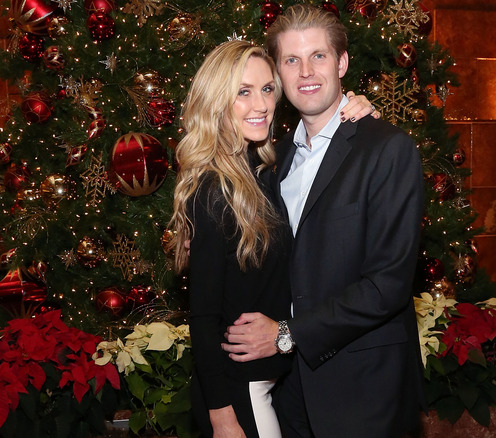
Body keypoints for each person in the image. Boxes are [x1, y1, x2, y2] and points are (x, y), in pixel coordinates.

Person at [221, 5, 426, 438]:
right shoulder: (274, 159)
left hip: (365, 390)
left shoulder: (387, 149)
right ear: (277, 75)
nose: (306, 72)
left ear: (343, 63)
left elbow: (387, 285)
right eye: (292, 60)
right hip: (291, 389)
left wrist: (286, 333)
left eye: (319, 56)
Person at [169, 40, 377, 438]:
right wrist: (222, 417)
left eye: (267, 89)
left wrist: (360, 113)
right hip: (239, 395)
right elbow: (203, 317)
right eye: (243, 92)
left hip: (271, 384)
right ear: (216, 101)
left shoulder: (264, 170)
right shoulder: (213, 190)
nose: (261, 105)